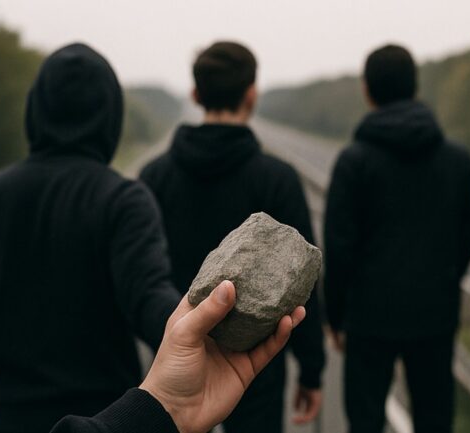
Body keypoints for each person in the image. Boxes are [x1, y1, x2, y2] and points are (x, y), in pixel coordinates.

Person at [0, 43, 181, 433]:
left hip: (13, 420)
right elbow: (149, 298)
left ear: (35, 110)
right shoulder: (123, 200)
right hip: (104, 421)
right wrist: (199, 330)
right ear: (111, 117)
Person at [139, 41, 325, 433]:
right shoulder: (277, 179)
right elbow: (305, 282)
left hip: (177, 359)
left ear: (195, 94)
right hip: (254, 364)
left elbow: (141, 275)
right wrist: (312, 370)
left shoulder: (154, 177)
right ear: (251, 94)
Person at [324, 44, 470, 433]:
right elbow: (469, 231)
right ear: (415, 88)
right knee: (434, 418)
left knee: (365, 420)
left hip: (368, 316)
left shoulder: (354, 161)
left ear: (367, 90)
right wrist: (447, 278)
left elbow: (339, 246)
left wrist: (336, 316)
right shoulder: (457, 160)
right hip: (434, 312)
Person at [50, 280, 307, 433]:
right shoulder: (122, 199)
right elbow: (145, 291)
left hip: (209, 361)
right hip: (221, 360)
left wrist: (169, 405)